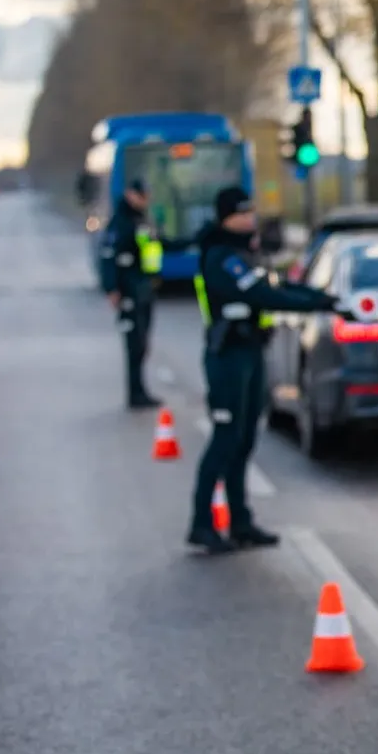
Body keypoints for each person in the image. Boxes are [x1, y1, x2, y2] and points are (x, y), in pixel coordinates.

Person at [187, 186, 349, 554]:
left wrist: (324, 300)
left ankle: (241, 521)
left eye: (251, 211)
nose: (249, 218)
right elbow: (263, 295)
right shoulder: (222, 256)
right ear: (226, 217)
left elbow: (277, 285)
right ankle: (201, 523)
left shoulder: (246, 253)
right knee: (225, 440)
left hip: (250, 352)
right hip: (227, 357)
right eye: (242, 213)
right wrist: (317, 306)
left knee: (244, 440)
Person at [100, 179, 180, 408]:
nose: (145, 199)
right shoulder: (121, 222)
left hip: (144, 289)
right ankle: (135, 394)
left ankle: (140, 391)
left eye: (146, 195)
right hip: (129, 292)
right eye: (141, 195)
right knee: (134, 345)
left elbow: (159, 244)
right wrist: (112, 288)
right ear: (129, 194)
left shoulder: (143, 220)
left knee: (143, 344)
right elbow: (108, 256)